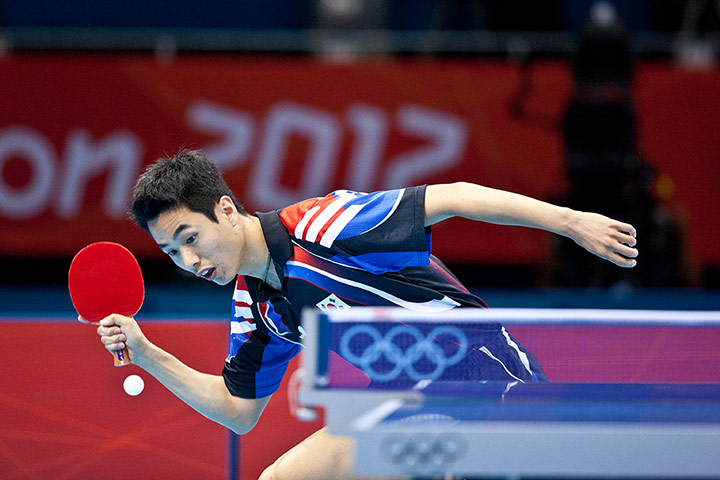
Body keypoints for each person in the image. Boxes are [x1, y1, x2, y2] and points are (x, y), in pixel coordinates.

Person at [94, 149, 638, 480]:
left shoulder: (323, 225)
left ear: (226, 211)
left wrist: (570, 222)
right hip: (409, 405)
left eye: (190, 238)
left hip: (486, 378)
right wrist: (146, 353)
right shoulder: (255, 305)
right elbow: (239, 411)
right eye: (171, 253)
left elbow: (453, 196)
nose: (189, 261)